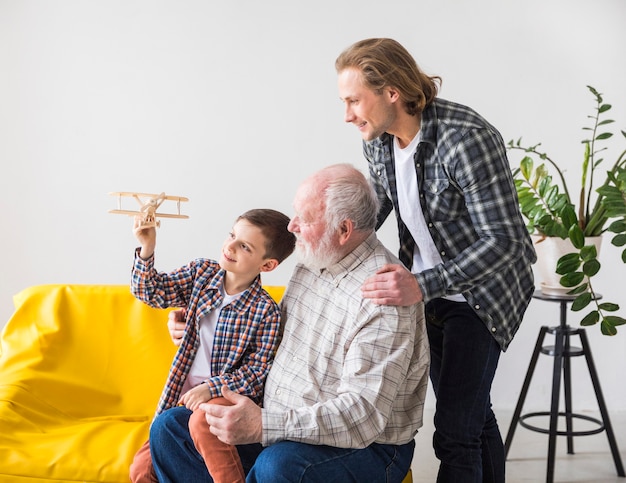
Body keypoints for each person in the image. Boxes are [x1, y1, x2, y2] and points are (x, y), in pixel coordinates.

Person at [335, 38, 537, 482]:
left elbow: (503, 240)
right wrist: (329, 237)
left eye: (354, 100)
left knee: (454, 434)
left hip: (483, 293)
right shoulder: (380, 140)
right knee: (474, 415)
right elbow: (379, 206)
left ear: (391, 92)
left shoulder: (466, 139)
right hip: (429, 291)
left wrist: (422, 285)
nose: (347, 114)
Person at [153, 163, 430, 482]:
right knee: (170, 428)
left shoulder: (382, 293)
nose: (293, 226)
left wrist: (262, 424)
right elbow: (266, 340)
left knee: (277, 465)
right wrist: (203, 324)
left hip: (361, 446)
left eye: (306, 218)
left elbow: (362, 418)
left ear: (344, 230)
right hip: (280, 423)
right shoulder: (313, 261)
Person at [128, 208, 296, 483]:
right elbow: (151, 292)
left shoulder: (265, 311)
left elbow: (258, 372)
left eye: (244, 246)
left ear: (267, 265)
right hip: (179, 399)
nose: (229, 246)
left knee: (203, 423)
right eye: (232, 235)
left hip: (223, 398)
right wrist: (147, 248)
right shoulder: (201, 274)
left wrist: (211, 388)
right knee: (141, 470)